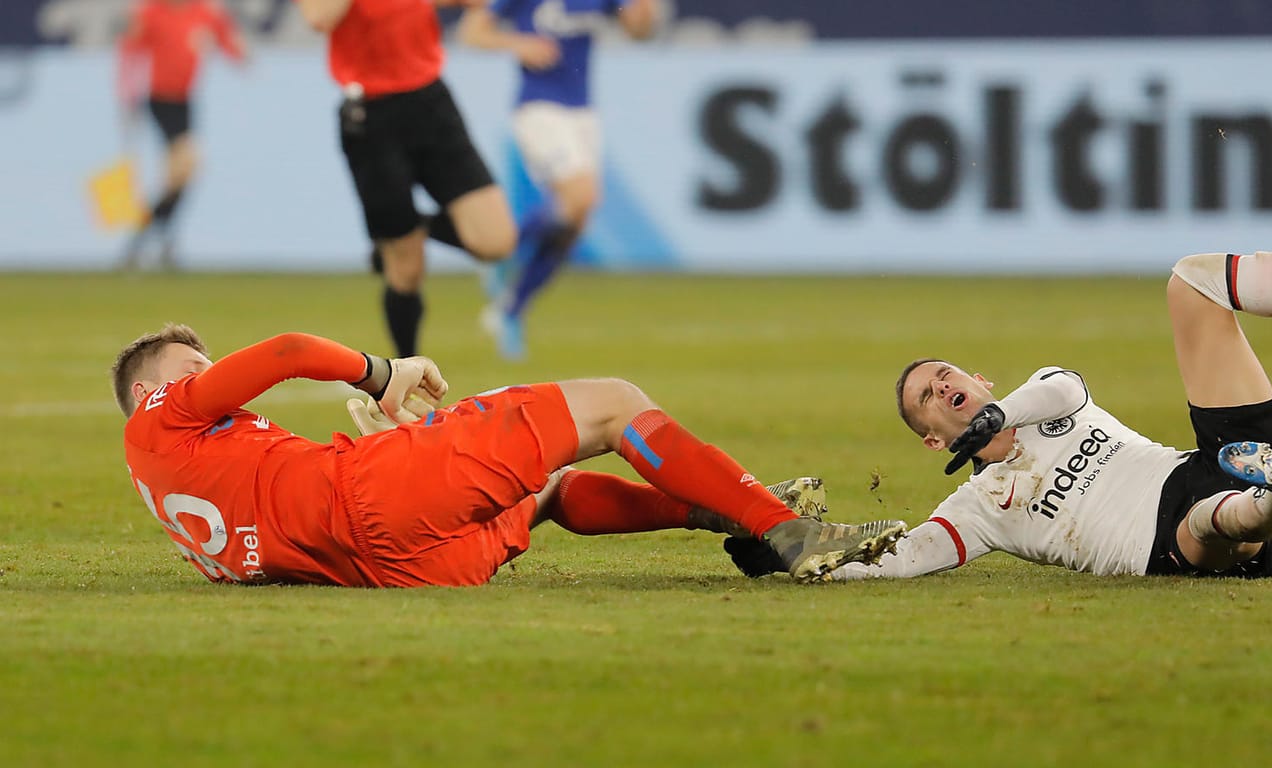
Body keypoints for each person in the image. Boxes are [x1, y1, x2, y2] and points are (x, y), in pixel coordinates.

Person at [725, 250, 1272, 581]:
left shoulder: (1047, 398)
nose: (942, 387)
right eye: (927, 398)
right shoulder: (978, 509)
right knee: (1218, 526)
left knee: (1191, 282)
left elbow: (1060, 387)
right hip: (1167, 540)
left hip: (1201, 466)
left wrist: (1000, 413)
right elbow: (908, 556)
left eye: (948, 376)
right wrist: (792, 554)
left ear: (981, 382)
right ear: (931, 440)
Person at [111, 324, 907, 587]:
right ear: (150, 386)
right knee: (616, 404)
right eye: (191, 366)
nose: (206, 376)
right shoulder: (161, 410)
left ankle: (730, 514)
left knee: (553, 487)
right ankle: (784, 529)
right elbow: (286, 349)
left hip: (394, 569)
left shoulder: (170, 494)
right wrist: (385, 375)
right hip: (375, 498)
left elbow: (289, 521)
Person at [296, 0, 518, 358]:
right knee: (406, 270)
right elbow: (319, 16)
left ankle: (406, 231)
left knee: (496, 240)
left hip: (431, 103)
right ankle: (406, 375)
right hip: (369, 115)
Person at [457, 0, 657, 360]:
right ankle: (503, 253)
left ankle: (509, 307)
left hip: (583, 113)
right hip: (538, 107)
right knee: (583, 197)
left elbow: (639, 31)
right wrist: (519, 44)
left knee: (575, 220)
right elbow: (471, 31)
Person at [116, 0, 248, 270]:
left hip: (186, 101)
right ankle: (158, 239)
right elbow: (129, 52)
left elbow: (229, 44)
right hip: (160, 100)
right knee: (186, 165)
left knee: (179, 177)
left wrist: (239, 51)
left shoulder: (204, 12)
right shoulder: (151, 12)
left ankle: (149, 237)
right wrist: (127, 98)